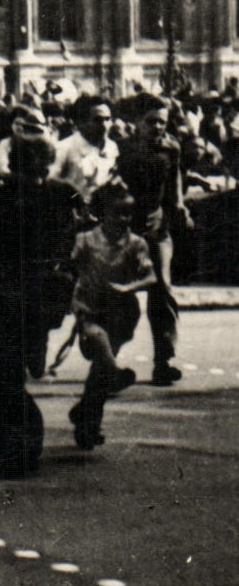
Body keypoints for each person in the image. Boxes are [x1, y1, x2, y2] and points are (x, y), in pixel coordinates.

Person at [0, 135, 82, 478]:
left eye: (43, 163)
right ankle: (17, 442)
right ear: (14, 166)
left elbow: (84, 229)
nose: (37, 172)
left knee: (24, 365)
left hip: (41, 294)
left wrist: (73, 274)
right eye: (29, 165)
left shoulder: (63, 193)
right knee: (6, 365)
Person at [65, 183, 156, 451]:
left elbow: (150, 276)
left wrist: (129, 287)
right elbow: (66, 268)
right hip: (90, 310)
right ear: (102, 213)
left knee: (99, 371)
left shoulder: (136, 243)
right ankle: (108, 386)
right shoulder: (85, 240)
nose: (124, 218)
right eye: (118, 212)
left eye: (128, 213)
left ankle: (87, 421)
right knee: (101, 354)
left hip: (121, 314)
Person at [115, 97, 191, 387]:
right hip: (124, 228)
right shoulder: (123, 148)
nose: (158, 126)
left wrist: (178, 206)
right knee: (119, 293)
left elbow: (174, 181)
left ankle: (164, 360)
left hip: (156, 226)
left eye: (162, 120)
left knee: (162, 289)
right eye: (151, 121)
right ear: (137, 122)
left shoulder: (171, 146)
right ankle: (106, 359)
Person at [51, 95, 118, 204]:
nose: (105, 125)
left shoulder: (112, 147)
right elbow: (51, 184)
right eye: (98, 120)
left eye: (108, 119)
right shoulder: (63, 148)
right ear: (81, 122)